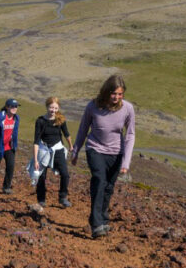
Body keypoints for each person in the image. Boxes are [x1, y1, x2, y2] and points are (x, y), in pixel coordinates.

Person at [71, 75, 135, 239]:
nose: (117, 97)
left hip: (116, 153)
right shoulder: (93, 106)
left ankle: (102, 218)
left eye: (120, 94)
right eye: (114, 93)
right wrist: (75, 151)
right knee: (99, 180)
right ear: (106, 92)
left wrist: (126, 161)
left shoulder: (127, 108)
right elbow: (83, 128)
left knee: (108, 187)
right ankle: (97, 224)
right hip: (95, 148)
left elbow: (130, 135)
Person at [32, 97, 73, 208]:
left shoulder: (61, 120)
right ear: (47, 106)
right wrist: (35, 160)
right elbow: (36, 141)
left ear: (58, 108)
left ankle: (63, 197)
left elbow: (66, 134)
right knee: (41, 175)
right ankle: (41, 199)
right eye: (51, 107)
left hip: (58, 149)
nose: (53, 110)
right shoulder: (40, 121)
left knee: (65, 174)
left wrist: (71, 146)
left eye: (55, 108)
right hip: (44, 150)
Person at [0, 98, 20, 195]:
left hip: (9, 147)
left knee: (10, 166)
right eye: (12, 106)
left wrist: (15, 144)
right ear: (7, 107)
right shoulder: (0, 118)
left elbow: (15, 133)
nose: (14, 108)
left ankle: (6, 187)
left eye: (16, 106)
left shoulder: (16, 118)